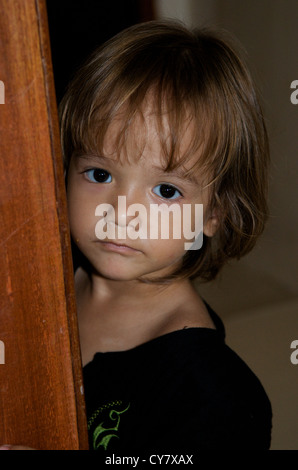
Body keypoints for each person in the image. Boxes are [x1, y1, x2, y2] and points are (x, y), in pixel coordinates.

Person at [1, 20, 272, 452]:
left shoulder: (213, 398)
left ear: (215, 213)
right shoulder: (35, 280)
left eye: (166, 190)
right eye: (99, 173)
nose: (122, 213)